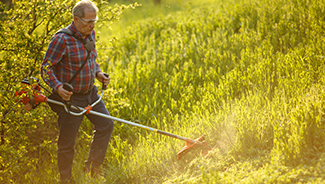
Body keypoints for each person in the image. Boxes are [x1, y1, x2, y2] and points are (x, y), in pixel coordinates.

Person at [40, 0, 114, 183]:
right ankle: (66, 179)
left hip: (91, 94)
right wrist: (57, 87)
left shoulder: (90, 33)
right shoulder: (61, 39)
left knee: (106, 125)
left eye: (94, 21)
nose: (92, 25)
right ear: (76, 19)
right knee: (67, 142)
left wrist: (98, 73)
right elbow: (46, 67)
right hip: (70, 99)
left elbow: (92, 59)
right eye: (89, 21)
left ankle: (93, 169)